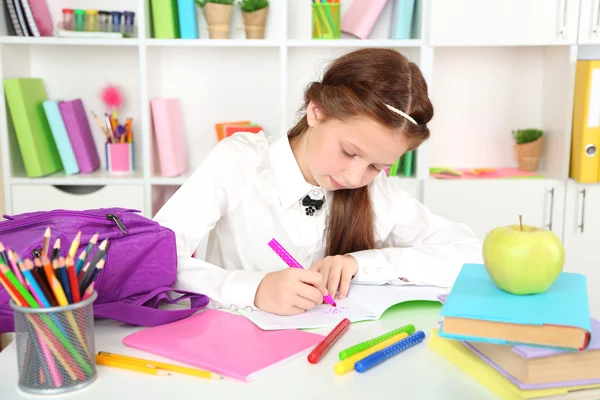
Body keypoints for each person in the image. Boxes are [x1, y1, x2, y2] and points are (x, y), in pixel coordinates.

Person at [153, 48, 483, 316]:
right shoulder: (240, 161)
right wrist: (253, 289)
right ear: (316, 112)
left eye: (377, 166)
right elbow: (153, 261)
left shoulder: (373, 190)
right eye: (349, 151)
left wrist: (360, 264)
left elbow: (469, 254)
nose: (355, 178)